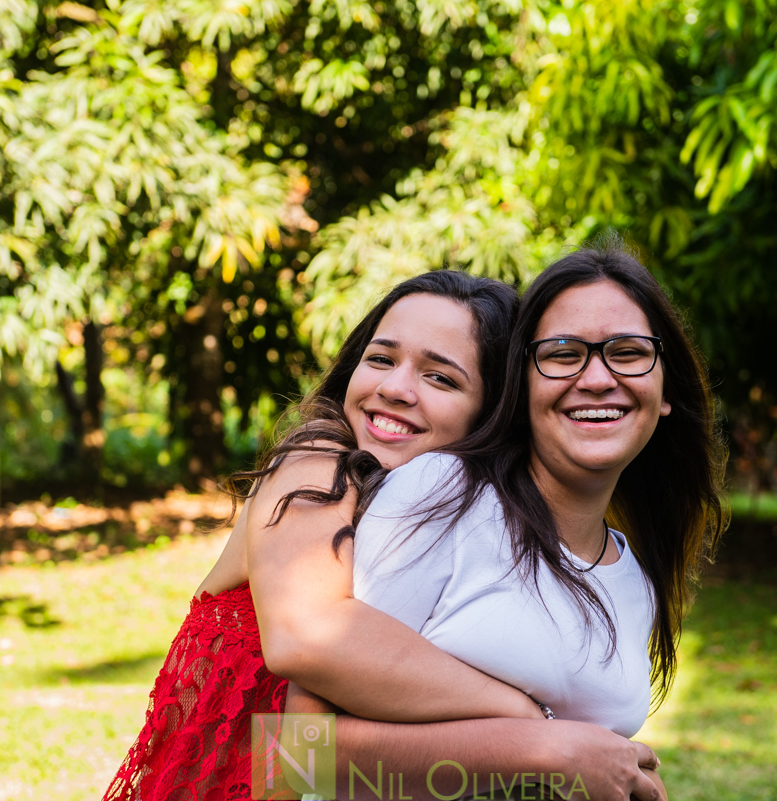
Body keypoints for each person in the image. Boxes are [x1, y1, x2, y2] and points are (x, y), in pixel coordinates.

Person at [104, 271, 661, 801]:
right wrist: (533, 724)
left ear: (494, 411)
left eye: (440, 377)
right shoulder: (318, 464)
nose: (395, 388)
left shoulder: (439, 513)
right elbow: (306, 640)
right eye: (381, 359)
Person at [282, 238, 726, 799]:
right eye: (563, 353)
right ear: (521, 387)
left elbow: (590, 766)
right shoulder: (443, 495)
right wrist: (540, 750)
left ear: (665, 391)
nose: (596, 378)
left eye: (629, 352)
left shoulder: (633, 578)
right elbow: (296, 754)